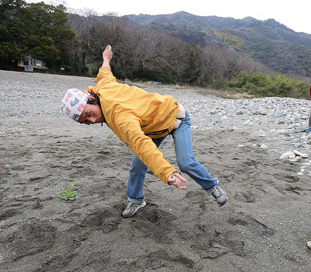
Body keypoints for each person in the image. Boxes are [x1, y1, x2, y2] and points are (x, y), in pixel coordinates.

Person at [60, 45, 228, 217]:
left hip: (176, 117)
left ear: (89, 98)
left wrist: (167, 172)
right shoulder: (102, 88)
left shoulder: (119, 116)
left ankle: (211, 185)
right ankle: (136, 200)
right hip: (152, 127)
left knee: (185, 162)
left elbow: (140, 144)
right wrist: (106, 58)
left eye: (89, 114)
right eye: (86, 122)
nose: (93, 120)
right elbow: (104, 73)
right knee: (137, 166)